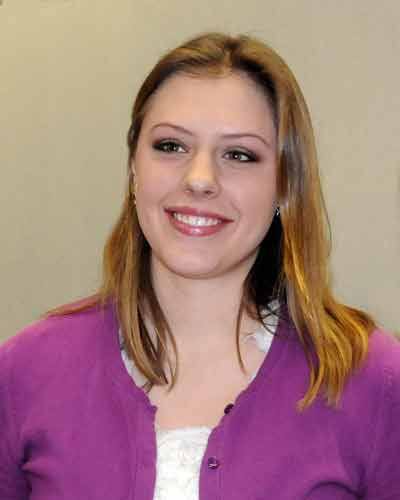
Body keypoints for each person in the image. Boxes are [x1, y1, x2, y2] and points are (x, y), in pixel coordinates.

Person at [0, 32, 399, 500]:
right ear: (134, 167)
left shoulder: (371, 381)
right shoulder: (24, 371)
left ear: (284, 186)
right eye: (171, 146)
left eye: (239, 154)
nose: (200, 179)